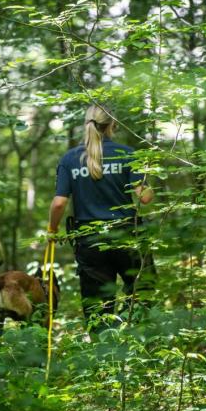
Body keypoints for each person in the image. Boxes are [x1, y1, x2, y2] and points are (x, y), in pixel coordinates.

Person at [47, 103, 156, 330]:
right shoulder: (127, 154)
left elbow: (59, 203)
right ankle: (140, 346)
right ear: (112, 125)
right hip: (128, 235)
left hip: (90, 241)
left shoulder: (70, 159)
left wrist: (52, 230)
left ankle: (104, 356)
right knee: (141, 294)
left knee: (98, 308)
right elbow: (144, 198)